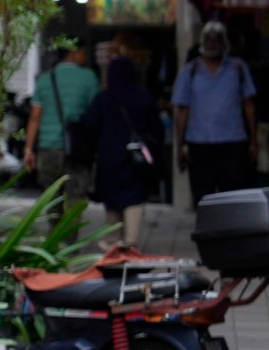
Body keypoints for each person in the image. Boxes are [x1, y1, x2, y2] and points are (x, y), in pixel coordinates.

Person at [173, 19, 260, 204]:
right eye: (208, 40)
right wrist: (180, 145)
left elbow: (249, 105)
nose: (212, 45)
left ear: (223, 43)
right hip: (199, 142)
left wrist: (253, 140)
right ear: (202, 43)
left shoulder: (237, 68)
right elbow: (182, 110)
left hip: (233, 141)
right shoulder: (190, 71)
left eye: (216, 40)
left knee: (232, 195)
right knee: (203, 196)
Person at [90, 47, 165, 247]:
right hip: (136, 158)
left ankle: (112, 241)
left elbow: (89, 124)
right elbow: (156, 128)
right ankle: (131, 241)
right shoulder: (143, 97)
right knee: (134, 197)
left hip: (110, 157)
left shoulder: (104, 98)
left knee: (113, 201)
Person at [26, 39, 97, 201]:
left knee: (51, 199)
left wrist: (28, 149)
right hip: (78, 149)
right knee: (76, 197)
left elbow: (35, 117)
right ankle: (72, 226)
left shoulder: (45, 80)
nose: (85, 57)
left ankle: (56, 227)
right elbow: (95, 114)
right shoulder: (89, 78)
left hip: (49, 148)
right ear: (74, 53)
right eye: (83, 52)